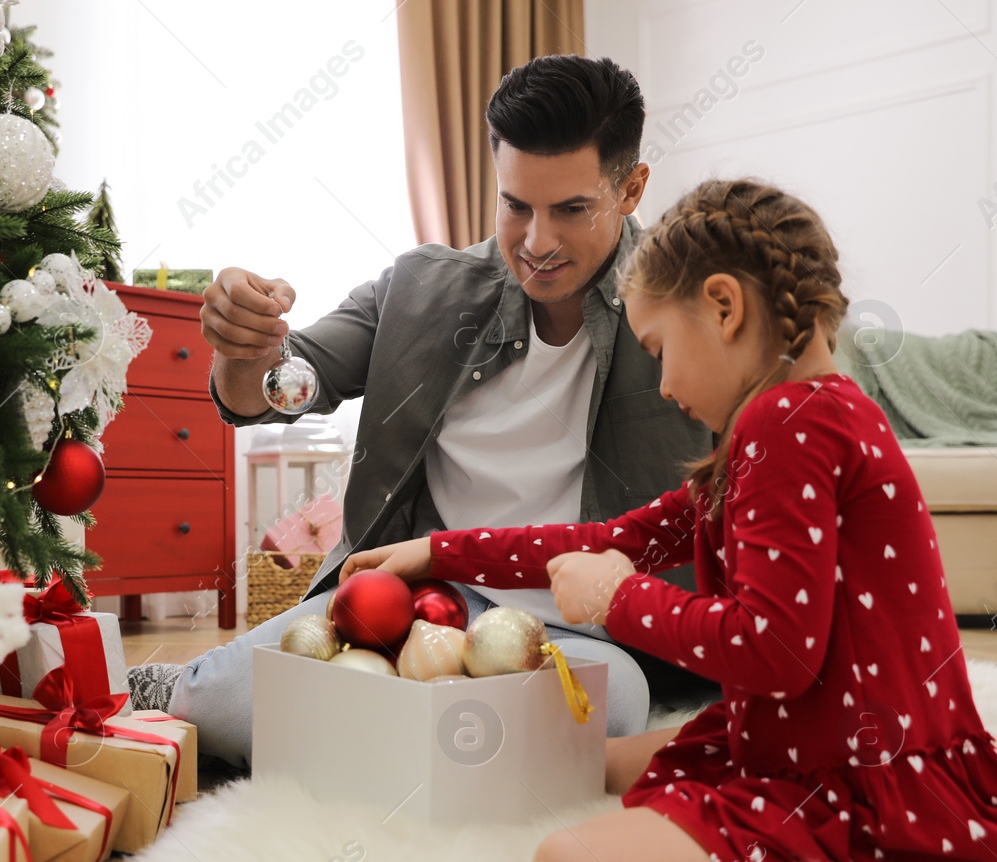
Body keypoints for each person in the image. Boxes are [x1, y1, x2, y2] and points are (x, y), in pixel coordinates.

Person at [342, 177, 997, 862]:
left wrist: (620, 600)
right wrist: (437, 550)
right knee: (592, 759)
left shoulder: (784, 427)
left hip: (848, 777)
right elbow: (608, 535)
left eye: (660, 350)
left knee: (568, 859)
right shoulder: (812, 416)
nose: (660, 385)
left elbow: (777, 649)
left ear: (723, 306)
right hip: (828, 734)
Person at [127, 55, 718, 766]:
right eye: (515, 205)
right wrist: (240, 348)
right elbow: (280, 389)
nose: (537, 242)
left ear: (630, 189)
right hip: (412, 600)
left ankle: (376, 745)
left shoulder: (687, 303)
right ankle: (407, 743)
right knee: (212, 711)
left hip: (583, 632)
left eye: (571, 209)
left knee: (609, 703)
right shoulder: (420, 289)